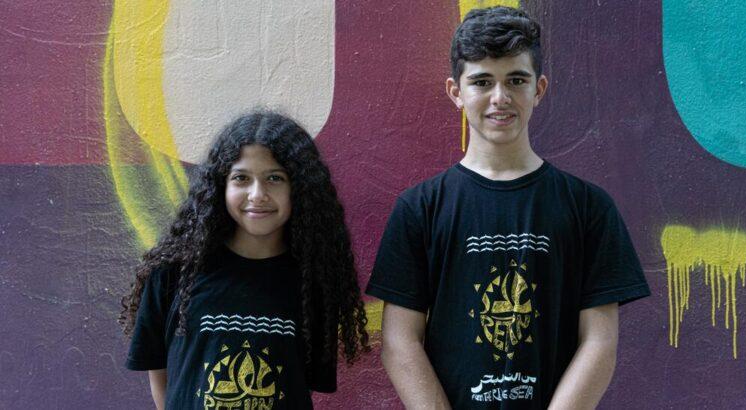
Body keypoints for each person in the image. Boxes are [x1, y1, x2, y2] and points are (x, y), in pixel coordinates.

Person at [366, 6, 650, 409]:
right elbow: (399, 342)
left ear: (539, 88)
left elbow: (599, 344)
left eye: (516, 80)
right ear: (456, 92)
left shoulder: (589, 208)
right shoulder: (419, 209)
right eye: (482, 82)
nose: (500, 98)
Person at [120, 111, 369, 409]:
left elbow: (299, 386)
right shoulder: (172, 273)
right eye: (241, 178)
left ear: (299, 187)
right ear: (221, 185)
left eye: (275, 178)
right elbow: (160, 377)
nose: (257, 194)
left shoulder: (314, 284)